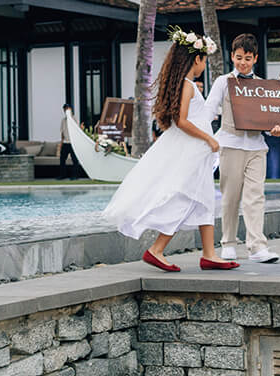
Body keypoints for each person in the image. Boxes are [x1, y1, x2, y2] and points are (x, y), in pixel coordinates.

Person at [102, 27, 239, 273]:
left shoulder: (186, 84)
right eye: (204, 61)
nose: (204, 66)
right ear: (197, 59)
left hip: (198, 151)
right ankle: (157, 249)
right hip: (195, 150)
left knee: (205, 200)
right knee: (184, 199)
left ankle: (209, 254)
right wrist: (209, 139)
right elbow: (182, 120)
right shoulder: (187, 85)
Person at [203, 33, 280, 264]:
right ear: (232, 56)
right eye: (239, 58)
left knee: (255, 197)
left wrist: (274, 130)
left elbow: (267, 121)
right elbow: (209, 111)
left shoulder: (262, 86)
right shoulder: (222, 82)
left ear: (255, 58)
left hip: (257, 147)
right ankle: (228, 242)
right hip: (230, 145)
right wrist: (204, 137)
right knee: (230, 197)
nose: (243, 62)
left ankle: (257, 247)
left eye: (247, 58)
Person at [57, 104, 78, 180]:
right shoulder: (63, 120)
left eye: (67, 109)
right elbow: (62, 133)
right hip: (66, 143)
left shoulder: (74, 119)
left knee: (75, 160)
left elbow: (77, 131)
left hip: (73, 143)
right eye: (65, 109)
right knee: (62, 159)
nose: (66, 111)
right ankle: (63, 175)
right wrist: (61, 143)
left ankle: (75, 176)